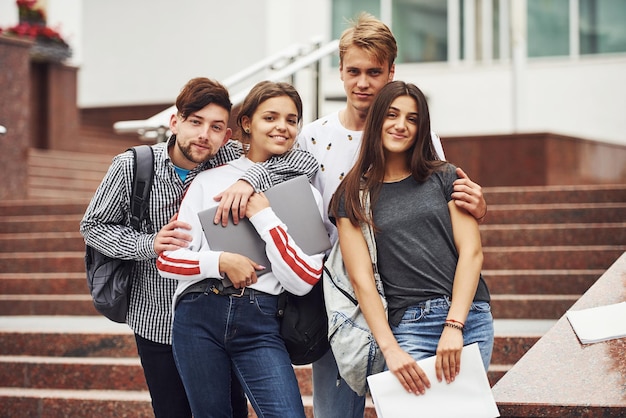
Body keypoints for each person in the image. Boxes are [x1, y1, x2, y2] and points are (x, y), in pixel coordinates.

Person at [80, 77, 319, 418]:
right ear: (174, 122)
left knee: (233, 408)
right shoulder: (132, 165)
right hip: (157, 315)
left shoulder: (227, 159)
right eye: (195, 122)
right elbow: (93, 227)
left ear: (229, 135)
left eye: (216, 127)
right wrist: (149, 243)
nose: (204, 135)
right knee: (173, 410)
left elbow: (301, 163)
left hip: (237, 306)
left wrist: (250, 180)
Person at [294, 12, 488, 418]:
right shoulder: (312, 137)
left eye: (374, 72)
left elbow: (438, 201)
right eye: (353, 71)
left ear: (391, 72)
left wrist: (475, 204)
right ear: (341, 72)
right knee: (335, 410)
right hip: (345, 296)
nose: (363, 83)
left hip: (407, 295)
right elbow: (296, 213)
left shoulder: (419, 134)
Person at [156, 80, 325, 418]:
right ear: (246, 124)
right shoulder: (209, 181)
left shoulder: (308, 194)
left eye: (291, 120)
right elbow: (167, 259)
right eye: (270, 117)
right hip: (198, 316)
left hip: (261, 321)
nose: (282, 127)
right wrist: (220, 261)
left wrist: (263, 217)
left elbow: (304, 279)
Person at [330, 80, 494, 396]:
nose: (401, 125)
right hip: (409, 326)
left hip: (468, 318)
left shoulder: (444, 176)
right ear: (377, 120)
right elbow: (361, 279)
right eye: (392, 115)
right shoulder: (351, 196)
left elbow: (471, 252)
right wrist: (390, 349)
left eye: (412, 118)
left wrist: (454, 325)